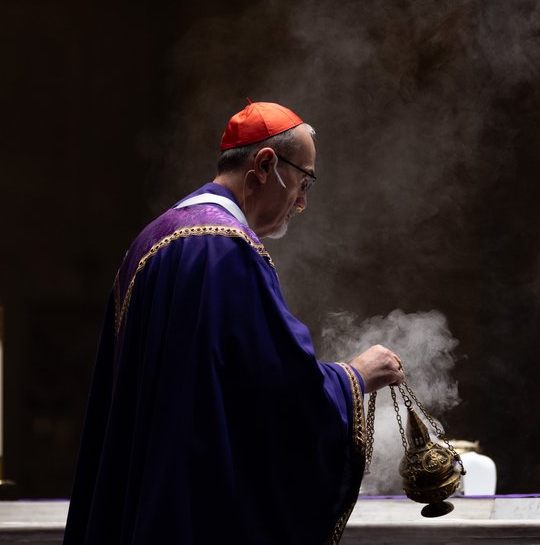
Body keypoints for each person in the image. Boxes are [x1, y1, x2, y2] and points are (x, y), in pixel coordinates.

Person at [64, 101, 404, 544]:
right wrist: (354, 378)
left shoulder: (149, 243)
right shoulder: (228, 249)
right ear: (265, 164)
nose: (301, 201)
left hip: (142, 501)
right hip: (194, 509)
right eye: (303, 182)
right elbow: (278, 394)